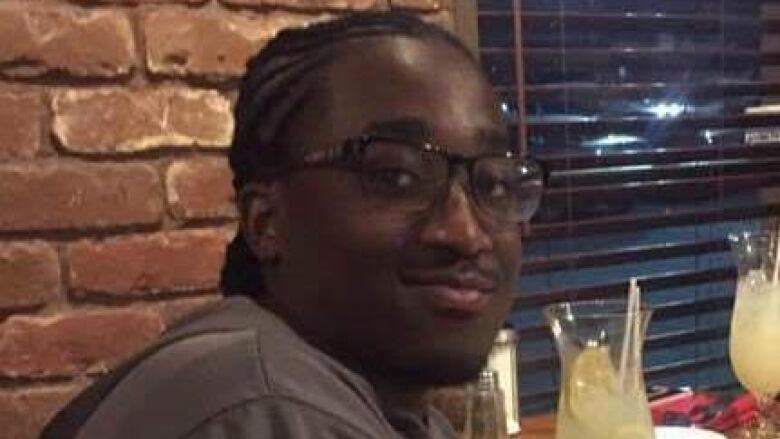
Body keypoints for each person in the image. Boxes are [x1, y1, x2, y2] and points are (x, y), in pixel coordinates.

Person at [40, 10, 544, 439]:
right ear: (265, 222)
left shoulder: (343, 390)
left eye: (494, 183)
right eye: (395, 175)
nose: (465, 232)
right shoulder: (275, 413)